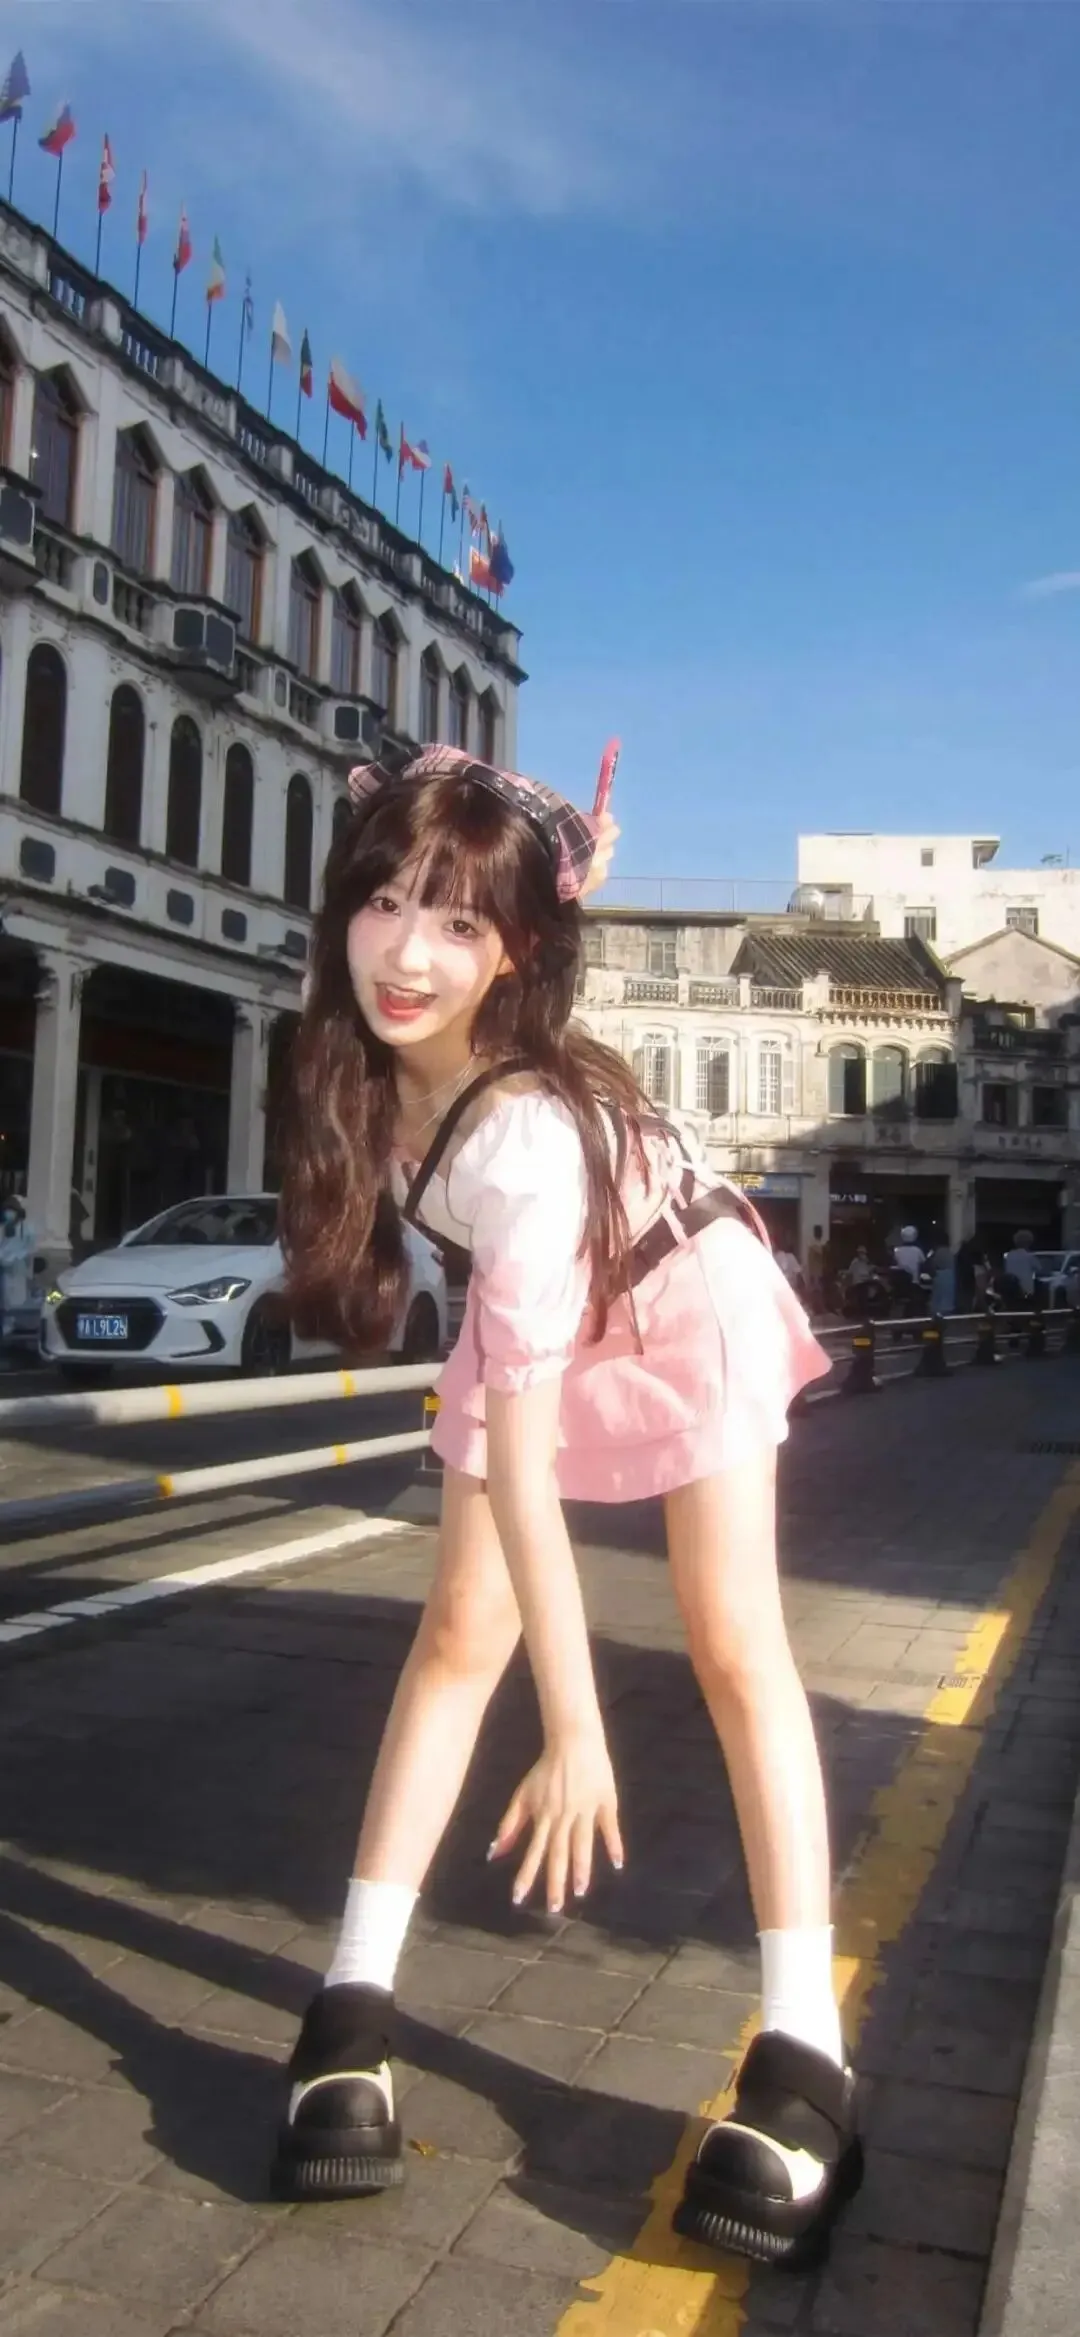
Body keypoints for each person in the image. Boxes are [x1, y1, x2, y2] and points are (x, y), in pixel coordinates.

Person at [272, 744, 862, 2269]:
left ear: (517, 951)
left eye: (459, 922)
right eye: (386, 901)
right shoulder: (358, 1069)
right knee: (454, 1632)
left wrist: (581, 1724)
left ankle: (807, 2056)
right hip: (536, 1307)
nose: (407, 953)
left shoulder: (527, 1139)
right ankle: (349, 2006)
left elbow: (526, 1472)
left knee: (734, 1643)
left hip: (678, 1295)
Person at [805, 1224, 827, 1315]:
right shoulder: (817, 1247)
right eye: (820, 1232)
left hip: (816, 1273)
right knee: (817, 1292)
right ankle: (818, 1309)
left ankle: (817, 1309)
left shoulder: (812, 1246)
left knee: (817, 1291)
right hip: (817, 1273)